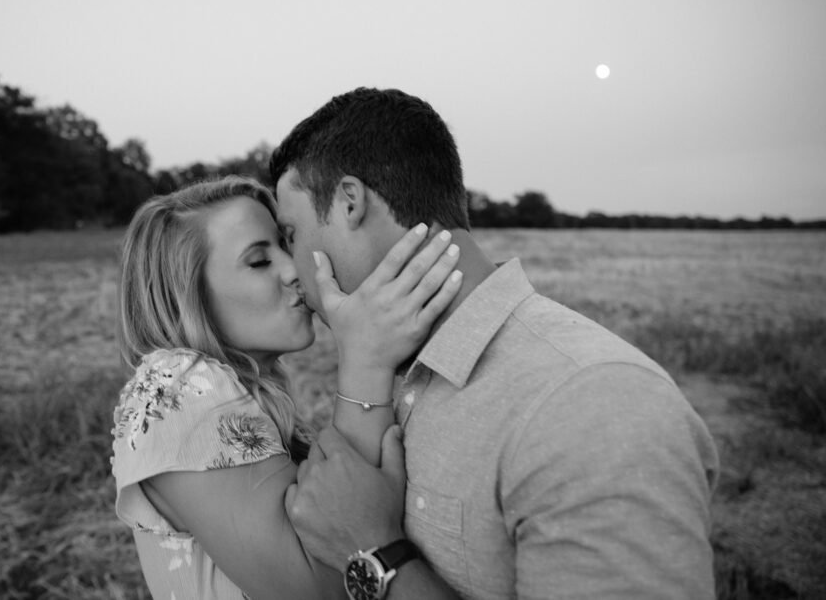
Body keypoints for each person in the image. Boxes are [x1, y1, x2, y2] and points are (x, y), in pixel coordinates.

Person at [273, 87, 721, 600]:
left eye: (291, 234)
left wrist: (372, 555)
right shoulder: (386, 373)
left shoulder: (593, 402)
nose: (291, 269)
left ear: (349, 203)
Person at [110, 175, 464, 599]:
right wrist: (366, 361)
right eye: (259, 261)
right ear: (187, 294)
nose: (295, 269)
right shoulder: (177, 385)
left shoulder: (238, 394)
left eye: (286, 244)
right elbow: (321, 582)